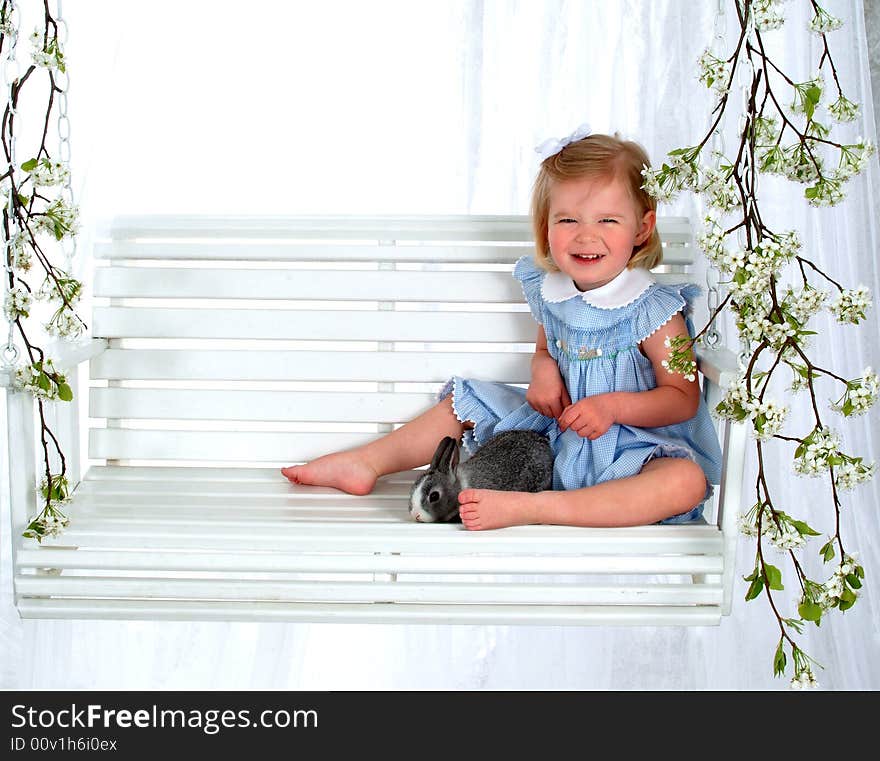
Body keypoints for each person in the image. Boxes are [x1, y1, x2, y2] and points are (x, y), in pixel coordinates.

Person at [282, 129, 723, 531]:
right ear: (546, 226)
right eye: (568, 220)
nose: (586, 236)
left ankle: (530, 508)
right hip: (553, 435)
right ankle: (366, 462)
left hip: (626, 451)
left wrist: (612, 407)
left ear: (642, 229)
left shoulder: (654, 312)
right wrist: (543, 368)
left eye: (607, 220)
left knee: (683, 481)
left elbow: (681, 398)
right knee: (469, 404)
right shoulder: (554, 293)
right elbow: (546, 348)